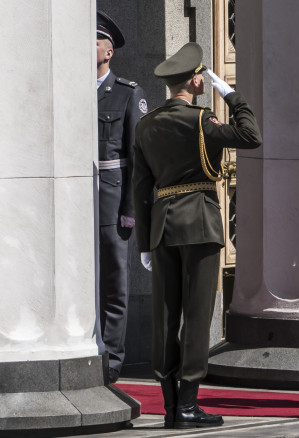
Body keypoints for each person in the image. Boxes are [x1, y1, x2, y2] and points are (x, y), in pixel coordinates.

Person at [132, 42, 262, 428]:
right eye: (203, 77)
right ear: (195, 80)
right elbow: (251, 135)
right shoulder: (203, 120)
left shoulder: (146, 124)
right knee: (197, 315)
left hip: (161, 225)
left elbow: (140, 188)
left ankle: (171, 405)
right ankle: (188, 404)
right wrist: (232, 94)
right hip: (200, 223)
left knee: (165, 317)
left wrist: (144, 242)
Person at [96, 10, 148, 384]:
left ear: (109, 50)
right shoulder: (69, 90)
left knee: (114, 281)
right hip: (76, 202)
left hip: (112, 203)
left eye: (94, 40)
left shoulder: (129, 94)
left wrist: (131, 210)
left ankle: (112, 360)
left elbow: (138, 158)